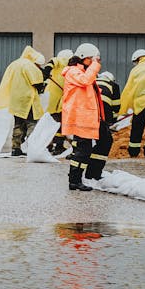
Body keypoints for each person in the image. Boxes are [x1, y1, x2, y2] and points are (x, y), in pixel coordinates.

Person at [60, 43, 106, 190]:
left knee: (93, 147)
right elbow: (85, 80)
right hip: (81, 119)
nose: (93, 63)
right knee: (82, 151)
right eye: (90, 59)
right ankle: (75, 180)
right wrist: (94, 66)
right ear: (82, 58)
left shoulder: (82, 72)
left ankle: (86, 175)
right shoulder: (73, 72)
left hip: (88, 118)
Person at [0, 46, 48, 156]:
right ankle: (32, 147)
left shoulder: (14, 64)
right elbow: (37, 83)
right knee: (31, 123)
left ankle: (16, 148)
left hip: (16, 100)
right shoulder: (29, 65)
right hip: (28, 99)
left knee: (18, 124)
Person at [45, 49, 73, 155]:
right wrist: (46, 70)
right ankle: (56, 146)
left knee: (59, 123)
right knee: (58, 122)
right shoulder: (61, 61)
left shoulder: (68, 68)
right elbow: (52, 61)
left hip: (59, 98)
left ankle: (55, 145)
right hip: (55, 99)